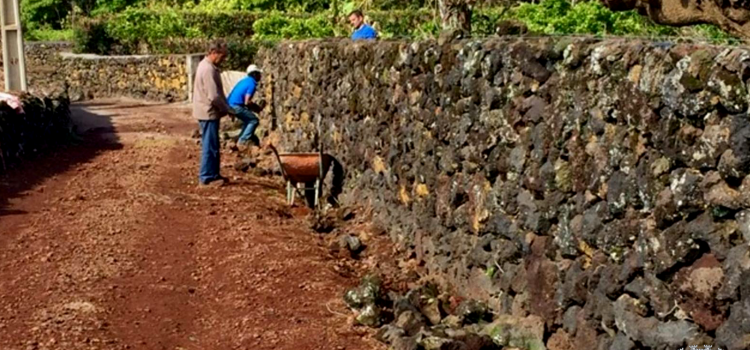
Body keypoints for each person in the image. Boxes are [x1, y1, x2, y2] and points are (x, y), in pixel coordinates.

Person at [193, 40, 235, 186]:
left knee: (213, 144)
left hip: (207, 111)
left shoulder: (206, 66)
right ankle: (206, 177)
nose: (222, 60)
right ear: (213, 53)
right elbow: (214, 96)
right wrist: (226, 108)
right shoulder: (208, 70)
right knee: (209, 145)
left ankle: (214, 174)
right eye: (222, 56)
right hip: (208, 112)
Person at [226, 64, 263, 151]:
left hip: (230, 105)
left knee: (247, 120)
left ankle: (240, 139)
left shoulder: (244, 81)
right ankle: (242, 141)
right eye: (258, 74)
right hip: (236, 106)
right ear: (254, 74)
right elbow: (247, 101)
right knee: (254, 120)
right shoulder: (252, 83)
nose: (260, 76)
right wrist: (256, 108)